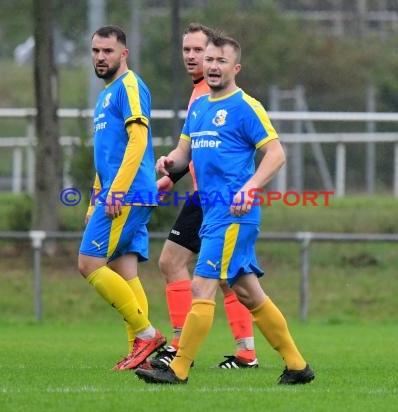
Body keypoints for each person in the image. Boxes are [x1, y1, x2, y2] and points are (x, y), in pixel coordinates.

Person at [135, 33, 315, 385]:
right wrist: (169, 163)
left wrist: (250, 187)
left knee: (202, 287)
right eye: (209, 59)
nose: (212, 66)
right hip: (210, 210)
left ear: (236, 67)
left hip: (234, 213)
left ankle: (179, 368)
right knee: (248, 293)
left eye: (220, 61)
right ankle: (297, 366)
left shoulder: (245, 106)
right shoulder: (200, 107)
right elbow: (184, 155)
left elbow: (276, 154)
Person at [148, 23, 260, 370]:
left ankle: (180, 347)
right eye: (188, 51)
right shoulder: (200, 95)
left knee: (172, 262)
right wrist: (171, 172)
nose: (193, 57)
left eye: (200, 51)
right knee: (231, 279)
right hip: (205, 196)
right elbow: (193, 149)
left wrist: (175, 174)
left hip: (214, 200)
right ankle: (246, 352)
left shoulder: (212, 95)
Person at [79, 25, 165, 371]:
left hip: (126, 193)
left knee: (89, 264)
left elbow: (137, 141)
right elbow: (107, 157)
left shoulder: (129, 86)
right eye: (96, 51)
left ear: (123, 54)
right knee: (123, 267)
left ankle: (146, 334)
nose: (101, 57)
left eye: (108, 51)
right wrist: (93, 201)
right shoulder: (105, 95)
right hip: (118, 192)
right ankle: (140, 353)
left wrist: (115, 192)